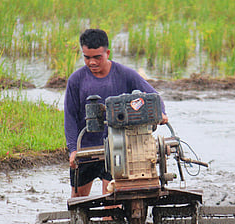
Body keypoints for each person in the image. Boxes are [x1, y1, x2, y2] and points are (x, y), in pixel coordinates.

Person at [64, 28, 168, 197]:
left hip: (118, 148)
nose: (92, 62)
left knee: (112, 201)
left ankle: (111, 221)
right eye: (87, 57)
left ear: (107, 53)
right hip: (86, 149)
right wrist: (72, 150)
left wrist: (161, 113)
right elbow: (70, 117)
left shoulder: (126, 75)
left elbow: (153, 97)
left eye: (97, 57)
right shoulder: (76, 80)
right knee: (78, 202)